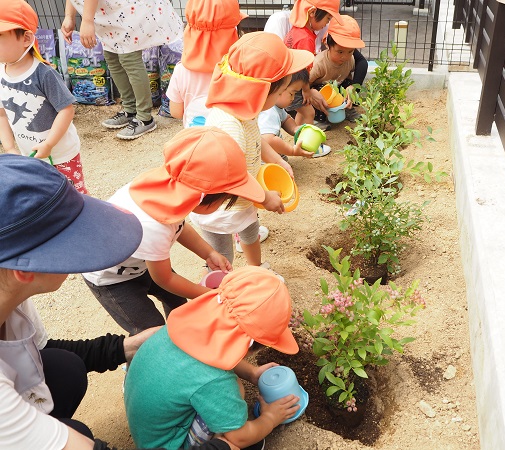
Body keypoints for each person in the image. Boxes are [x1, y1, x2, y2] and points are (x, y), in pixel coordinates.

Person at [0, 154, 240, 450]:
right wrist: (222, 446)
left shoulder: (12, 298)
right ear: (25, 269)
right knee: (80, 434)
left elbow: (40, 351)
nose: (94, 243)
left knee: (64, 368)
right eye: (75, 239)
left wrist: (124, 347)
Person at [82, 127, 268, 335]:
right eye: (225, 200)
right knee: (149, 330)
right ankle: (142, 363)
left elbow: (180, 228)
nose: (226, 204)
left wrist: (209, 253)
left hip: (141, 261)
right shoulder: (152, 225)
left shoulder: (171, 191)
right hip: (112, 278)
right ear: (204, 196)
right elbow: (165, 279)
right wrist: (211, 296)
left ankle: (180, 335)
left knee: (177, 301)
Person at [124, 266, 300, 450]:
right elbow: (239, 437)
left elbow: (218, 351)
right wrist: (270, 418)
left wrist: (252, 372)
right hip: (167, 445)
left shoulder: (184, 327)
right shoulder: (215, 382)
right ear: (250, 345)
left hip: (149, 427)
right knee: (236, 400)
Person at [189, 32, 313, 271]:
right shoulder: (228, 125)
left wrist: (279, 161)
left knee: (250, 231)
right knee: (222, 256)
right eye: (284, 92)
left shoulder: (246, 110)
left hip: (244, 200)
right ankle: (221, 288)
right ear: (262, 90)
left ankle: (256, 268)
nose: (286, 98)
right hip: (220, 209)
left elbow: (257, 139)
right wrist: (265, 198)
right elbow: (231, 178)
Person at [0, 0, 88, 194]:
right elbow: (2, 114)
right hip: (28, 154)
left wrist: (49, 144)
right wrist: (10, 148)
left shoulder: (44, 73)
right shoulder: (1, 73)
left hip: (61, 154)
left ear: (26, 38)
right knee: (44, 195)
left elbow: (66, 109)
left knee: (73, 195)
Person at [61, 0, 183, 140]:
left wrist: (87, 21)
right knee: (111, 56)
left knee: (129, 57)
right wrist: (69, 16)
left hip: (124, 10)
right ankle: (130, 110)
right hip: (107, 12)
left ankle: (145, 117)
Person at [167, 0, 246, 128]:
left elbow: (176, 112)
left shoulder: (181, 70)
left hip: (196, 141)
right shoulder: (239, 68)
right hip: (232, 139)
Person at [282, 0, 342, 127]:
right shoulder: (305, 39)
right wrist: (306, 90)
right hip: (294, 85)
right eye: (327, 18)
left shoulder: (297, 30)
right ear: (313, 12)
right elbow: (303, 70)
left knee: (302, 112)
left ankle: (298, 139)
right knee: (309, 113)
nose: (327, 23)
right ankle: (309, 144)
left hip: (287, 83)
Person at [258, 69, 331, 159]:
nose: (293, 98)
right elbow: (269, 140)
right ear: (278, 89)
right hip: (265, 161)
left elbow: (286, 120)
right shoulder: (269, 112)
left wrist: (295, 129)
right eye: (292, 93)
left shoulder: (276, 107)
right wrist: (291, 151)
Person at [309, 15, 366, 122]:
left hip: (337, 87)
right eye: (340, 52)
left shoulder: (351, 59)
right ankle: (318, 118)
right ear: (328, 45)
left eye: (350, 51)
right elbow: (305, 83)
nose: (345, 57)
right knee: (321, 90)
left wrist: (353, 88)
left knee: (347, 85)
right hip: (321, 89)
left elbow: (362, 64)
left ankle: (348, 109)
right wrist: (310, 91)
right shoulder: (320, 64)